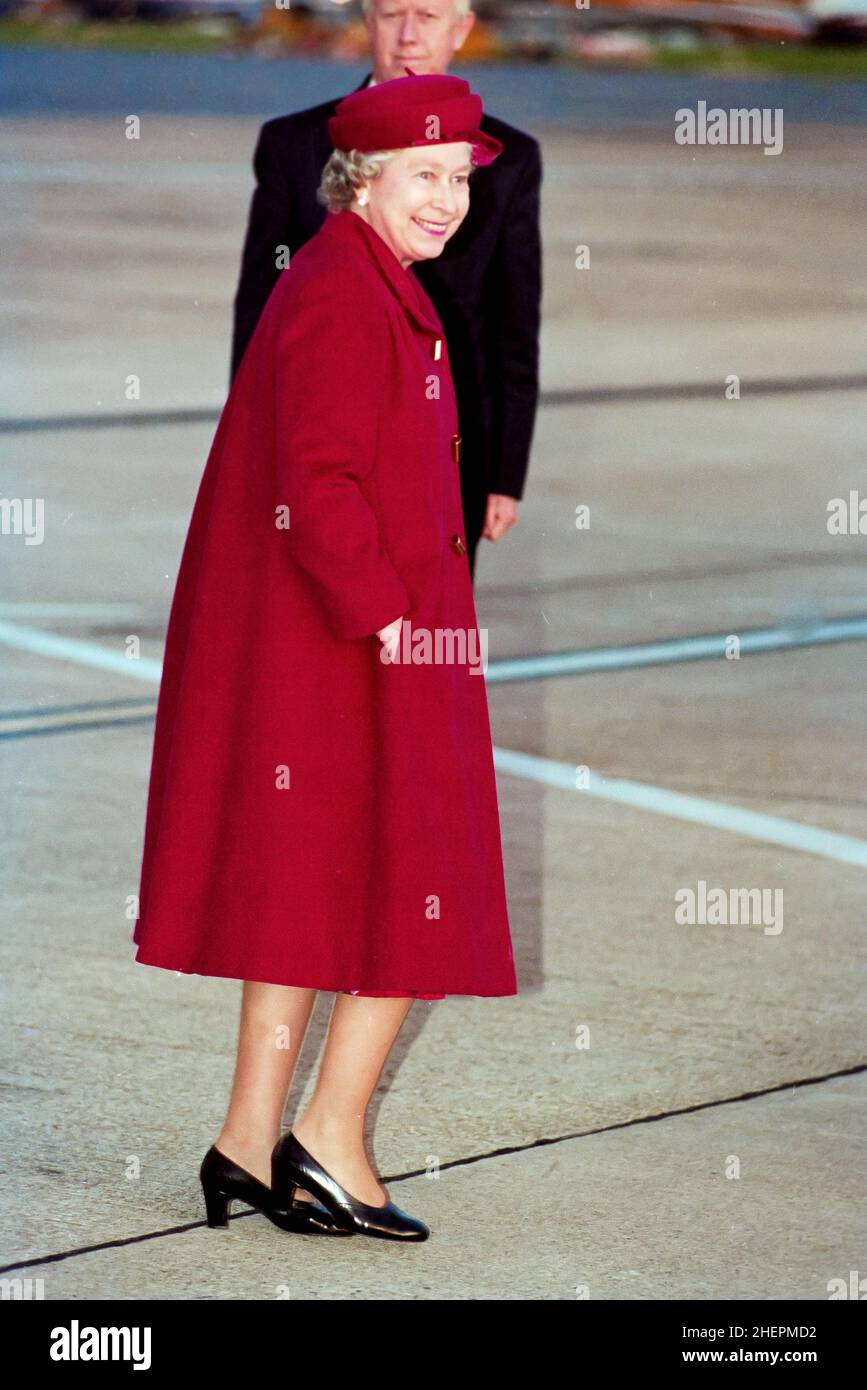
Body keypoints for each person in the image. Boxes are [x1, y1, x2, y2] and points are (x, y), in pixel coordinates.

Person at [132, 73, 516, 1243]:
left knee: (304, 893)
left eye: (458, 178)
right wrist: (394, 620)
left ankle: (248, 1144)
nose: (448, 200)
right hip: (372, 641)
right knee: (420, 884)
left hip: (342, 638)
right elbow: (320, 475)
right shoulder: (349, 292)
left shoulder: (361, 276)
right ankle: (333, 1140)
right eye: (426, 176)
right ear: (365, 176)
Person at [230, 0, 542, 579]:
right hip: (326, 442)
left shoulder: (512, 158)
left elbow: (513, 324)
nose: (407, 37)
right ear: (366, 23)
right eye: (391, 14)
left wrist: (504, 471)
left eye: (426, 17)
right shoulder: (293, 143)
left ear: (462, 29)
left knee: (431, 628)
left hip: (452, 443)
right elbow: (258, 312)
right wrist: (252, 455)